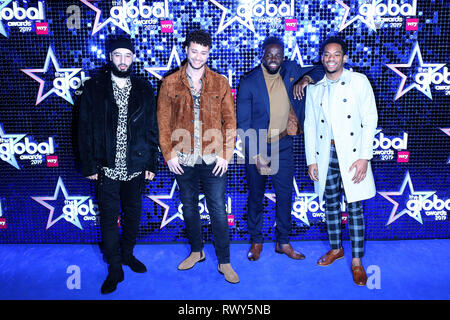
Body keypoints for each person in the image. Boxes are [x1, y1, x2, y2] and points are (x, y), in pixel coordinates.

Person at [78, 35, 159, 294]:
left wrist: (151, 163)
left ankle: (127, 254)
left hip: (135, 165)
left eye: (127, 56)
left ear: (133, 58)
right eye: (117, 55)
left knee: (133, 214)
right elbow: (83, 129)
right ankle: (115, 266)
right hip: (107, 166)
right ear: (110, 57)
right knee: (110, 218)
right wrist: (89, 165)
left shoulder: (144, 88)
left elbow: (151, 129)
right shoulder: (94, 88)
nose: (122, 61)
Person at [157, 30, 238, 283]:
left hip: (214, 158)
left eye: (203, 52)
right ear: (186, 50)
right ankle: (197, 251)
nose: (198, 56)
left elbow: (230, 122)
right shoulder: (170, 83)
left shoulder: (220, 82)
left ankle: (224, 261)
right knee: (189, 207)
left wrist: (226, 155)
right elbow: (163, 123)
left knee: (218, 209)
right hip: (183, 158)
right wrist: (168, 154)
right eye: (194, 51)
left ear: (209, 53)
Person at [236, 36, 324, 261]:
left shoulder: (292, 69)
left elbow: (320, 69)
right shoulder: (249, 81)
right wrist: (255, 154)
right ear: (262, 55)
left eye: (278, 55)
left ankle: (283, 242)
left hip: (283, 145)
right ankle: (256, 241)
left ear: (283, 56)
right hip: (258, 146)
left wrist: (305, 80)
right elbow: (243, 123)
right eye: (269, 54)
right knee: (256, 195)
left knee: (285, 195)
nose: (273, 59)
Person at [304, 36, 378, 286]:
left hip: (352, 155)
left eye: (336, 54)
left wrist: (364, 157)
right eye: (327, 54)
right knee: (330, 204)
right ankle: (336, 249)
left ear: (344, 58)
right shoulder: (316, 88)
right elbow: (310, 125)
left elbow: (370, 120)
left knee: (355, 208)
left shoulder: (358, 82)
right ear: (322, 58)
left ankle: (357, 262)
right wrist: (311, 160)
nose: (331, 58)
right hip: (327, 154)